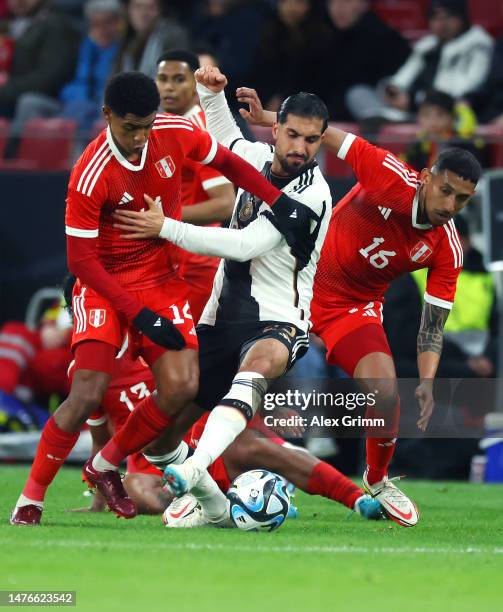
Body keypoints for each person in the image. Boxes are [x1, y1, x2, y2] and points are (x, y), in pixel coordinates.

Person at [10, 70, 319, 527]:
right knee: (86, 393)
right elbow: (81, 261)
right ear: (107, 116)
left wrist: (277, 200)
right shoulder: (91, 172)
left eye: (146, 126)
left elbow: (228, 164)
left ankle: (105, 465)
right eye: (129, 127)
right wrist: (137, 315)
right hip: (103, 285)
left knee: (182, 387)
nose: (139, 138)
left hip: (159, 278)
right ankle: (30, 500)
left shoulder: (173, 132)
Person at [233, 84, 482, 526]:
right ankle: (198, 466)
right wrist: (268, 119)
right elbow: (323, 133)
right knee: (242, 374)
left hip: (353, 306)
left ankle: (378, 478)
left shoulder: (448, 248)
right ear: (427, 177)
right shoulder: (387, 173)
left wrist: (426, 381)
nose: (450, 205)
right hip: (298, 278)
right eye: (445, 191)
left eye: (462, 200)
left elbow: (432, 325)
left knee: (386, 391)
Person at [112, 65, 332, 526]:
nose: (300, 148)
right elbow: (228, 140)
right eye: (292, 135)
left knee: (258, 366)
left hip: (280, 318)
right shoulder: (253, 158)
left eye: (312, 140)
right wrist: (212, 95)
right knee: (160, 439)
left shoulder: (314, 194)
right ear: (276, 129)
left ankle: (192, 470)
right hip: (220, 318)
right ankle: (214, 505)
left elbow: (245, 244)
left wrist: (166, 228)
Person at [79, 347, 384, 522]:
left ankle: (355, 499)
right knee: (133, 486)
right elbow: (99, 441)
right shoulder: (98, 371)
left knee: (261, 449)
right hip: (157, 466)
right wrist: (97, 500)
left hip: (217, 445)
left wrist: (270, 410)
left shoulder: (176, 347)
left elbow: (230, 382)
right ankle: (227, 504)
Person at [155, 49, 235, 323]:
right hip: (169, 256)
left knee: (181, 351)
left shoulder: (200, 131)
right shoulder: (162, 125)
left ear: (195, 84)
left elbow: (226, 203)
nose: (169, 87)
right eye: (163, 78)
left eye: (179, 79)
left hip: (196, 263)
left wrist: (164, 220)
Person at [347, 0, 493, 122]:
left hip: (443, 116)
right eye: (436, 18)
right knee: (358, 93)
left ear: (462, 18)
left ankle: (386, 124)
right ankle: (385, 121)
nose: (442, 24)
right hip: (408, 110)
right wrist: (393, 92)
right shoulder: (427, 45)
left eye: (448, 17)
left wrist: (413, 101)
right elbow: (402, 78)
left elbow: (467, 88)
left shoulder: (479, 45)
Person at [323, 0, 410, 121]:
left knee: (357, 94)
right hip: (336, 118)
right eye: (333, 2)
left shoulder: (385, 38)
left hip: (378, 106)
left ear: (364, 4)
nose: (338, 8)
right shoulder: (320, 36)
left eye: (346, 2)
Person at [0, 0, 79, 119]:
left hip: (47, 99)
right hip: (9, 96)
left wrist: (6, 88)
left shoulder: (55, 25)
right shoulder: (7, 25)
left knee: (28, 103)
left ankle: (15, 138)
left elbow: (51, 77)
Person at [404, 90, 485, 171]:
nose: (432, 121)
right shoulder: (417, 145)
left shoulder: (466, 144)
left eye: (440, 115)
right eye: (426, 115)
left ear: (452, 117)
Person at [115, 0, 189, 78]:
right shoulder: (126, 40)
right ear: (128, 10)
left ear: (159, 10)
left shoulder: (173, 38)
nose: (143, 13)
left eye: (150, 8)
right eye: (138, 7)